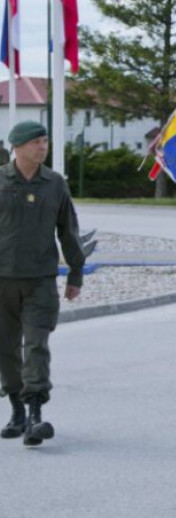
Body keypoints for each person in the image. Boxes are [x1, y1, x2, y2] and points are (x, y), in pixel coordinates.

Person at [0, 121, 85, 447]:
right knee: (5, 350)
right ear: (17, 147)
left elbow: (69, 231)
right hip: (2, 280)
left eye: (45, 141)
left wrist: (75, 273)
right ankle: (16, 412)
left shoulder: (55, 183)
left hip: (40, 280)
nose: (43, 147)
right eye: (36, 142)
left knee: (36, 345)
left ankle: (35, 415)